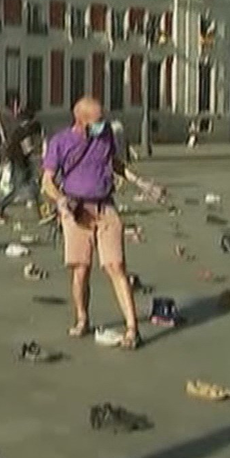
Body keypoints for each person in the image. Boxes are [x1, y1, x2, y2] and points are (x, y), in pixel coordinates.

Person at [41, 97, 163, 350]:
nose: (102, 124)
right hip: (76, 211)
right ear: (81, 121)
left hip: (105, 206)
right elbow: (47, 182)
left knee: (117, 266)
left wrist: (141, 183)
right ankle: (82, 318)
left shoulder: (106, 134)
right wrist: (61, 201)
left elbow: (115, 163)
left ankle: (132, 329)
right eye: (97, 121)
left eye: (102, 119)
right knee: (81, 270)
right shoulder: (60, 142)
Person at [0, 108, 42, 223]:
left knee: (34, 188)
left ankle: (41, 213)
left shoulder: (22, 130)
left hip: (23, 161)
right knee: (17, 189)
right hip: (19, 163)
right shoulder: (23, 132)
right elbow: (27, 148)